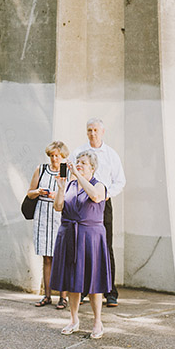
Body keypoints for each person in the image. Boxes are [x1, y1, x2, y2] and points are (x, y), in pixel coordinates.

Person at [50, 150, 111, 338]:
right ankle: (74, 319)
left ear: (92, 167)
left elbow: (95, 197)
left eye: (83, 162)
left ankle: (97, 322)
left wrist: (77, 175)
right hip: (69, 235)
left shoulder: (99, 185)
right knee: (72, 279)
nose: (78, 164)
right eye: (77, 161)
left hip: (91, 237)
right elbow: (58, 207)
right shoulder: (70, 185)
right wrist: (61, 188)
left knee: (93, 280)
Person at [73, 118, 125, 307]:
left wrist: (107, 195)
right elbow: (72, 174)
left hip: (103, 203)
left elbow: (120, 181)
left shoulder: (111, 155)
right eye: (89, 130)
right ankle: (84, 289)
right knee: (84, 247)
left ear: (102, 131)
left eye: (95, 130)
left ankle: (110, 292)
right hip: (82, 204)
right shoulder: (78, 152)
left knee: (106, 246)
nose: (92, 133)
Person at [26, 141, 69, 309]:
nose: (54, 159)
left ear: (63, 156)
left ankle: (63, 296)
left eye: (57, 156)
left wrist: (56, 195)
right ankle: (47, 294)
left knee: (61, 256)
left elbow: (71, 194)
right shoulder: (41, 169)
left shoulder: (67, 172)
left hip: (59, 214)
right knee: (47, 257)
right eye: (51, 155)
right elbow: (29, 193)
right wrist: (38, 192)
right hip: (43, 213)